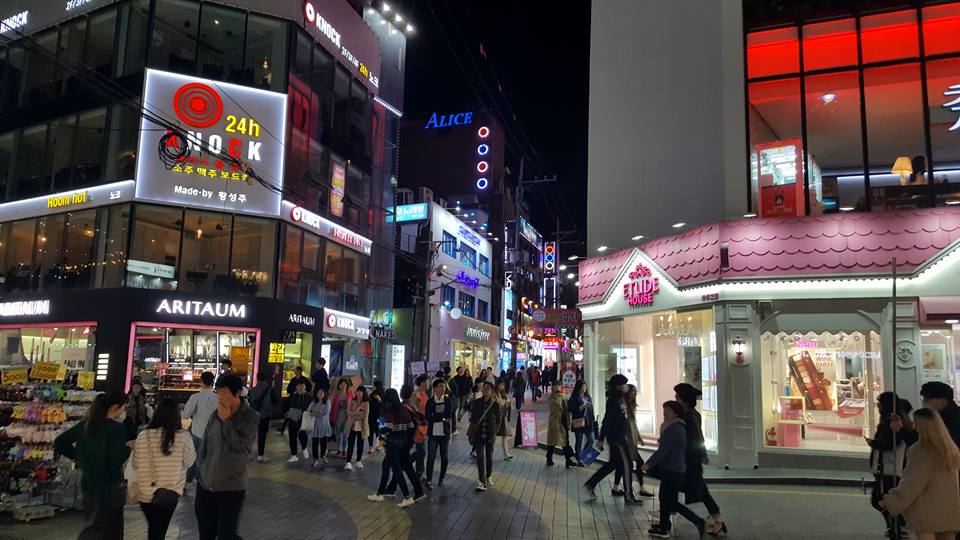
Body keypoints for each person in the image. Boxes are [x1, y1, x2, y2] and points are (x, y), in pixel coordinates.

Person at [54, 390, 130, 540]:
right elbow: (115, 460)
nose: (123, 411)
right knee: (110, 530)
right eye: (124, 407)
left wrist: (81, 458)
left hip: (89, 483)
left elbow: (60, 442)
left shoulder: (86, 425)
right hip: (109, 486)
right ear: (116, 407)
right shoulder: (116, 429)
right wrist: (128, 448)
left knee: (93, 526)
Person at [195, 373, 259, 540]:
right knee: (206, 534)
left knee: (226, 535)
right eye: (218, 392)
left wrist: (227, 420)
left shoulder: (250, 417)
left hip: (232, 487)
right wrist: (201, 471)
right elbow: (205, 445)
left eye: (223, 393)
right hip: (206, 486)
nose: (220, 397)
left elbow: (239, 445)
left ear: (237, 393)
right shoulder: (215, 415)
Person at [881, 408, 960, 540]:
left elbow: (912, 483)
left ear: (920, 426)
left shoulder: (921, 450)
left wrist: (890, 501)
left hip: (927, 512)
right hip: (949, 512)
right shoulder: (951, 449)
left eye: (915, 423)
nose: (913, 426)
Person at [133, 398, 196, 540]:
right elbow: (190, 461)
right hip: (169, 492)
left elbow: (136, 463)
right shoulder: (183, 437)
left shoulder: (143, 435)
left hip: (145, 492)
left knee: (154, 529)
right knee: (158, 531)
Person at [643, 401, 707, 538]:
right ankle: (664, 525)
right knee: (666, 499)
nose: (664, 413)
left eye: (667, 410)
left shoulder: (675, 429)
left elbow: (663, 450)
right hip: (674, 468)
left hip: (672, 469)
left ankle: (697, 521)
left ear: (674, 412)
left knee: (669, 500)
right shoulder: (675, 427)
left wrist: (648, 464)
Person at [674, 383, 724, 533]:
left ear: (684, 401)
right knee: (699, 489)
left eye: (677, 397)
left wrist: (702, 454)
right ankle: (717, 519)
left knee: (698, 489)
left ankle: (717, 520)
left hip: (690, 460)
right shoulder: (692, 414)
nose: (675, 399)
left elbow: (696, 437)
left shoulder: (689, 417)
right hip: (691, 458)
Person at [870, 392, 917, 538]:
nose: (878, 407)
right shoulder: (896, 420)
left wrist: (874, 443)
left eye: (879, 404)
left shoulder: (893, 421)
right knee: (884, 500)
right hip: (887, 467)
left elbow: (891, 443)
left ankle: (899, 525)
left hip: (889, 468)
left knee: (882, 500)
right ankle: (896, 526)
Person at [368, 389, 420, 507]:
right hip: (402, 442)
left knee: (396, 470)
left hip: (392, 443)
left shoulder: (389, 410)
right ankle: (381, 492)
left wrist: (381, 429)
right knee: (386, 465)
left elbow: (388, 427)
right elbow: (411, 425)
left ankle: (407, 497)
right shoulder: (403, 408)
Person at [583, 374, 631, 501]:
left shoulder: (621, 399)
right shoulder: (613, 401)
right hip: (616, 438)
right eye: (622, 385)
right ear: (616, 386)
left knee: (615, 464)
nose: (625, 387)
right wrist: (601, 438)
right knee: (621, 464)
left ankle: (599, 485)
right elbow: (607, 420)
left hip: (621, 436)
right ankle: (626, 493)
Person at [614, 384, 653, 498]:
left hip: (632, 440)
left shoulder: (631, 405)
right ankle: (635, 490)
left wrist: (639, 437)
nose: (634, 394)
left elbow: (633, 424)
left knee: (624, 465)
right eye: (633, 392)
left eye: (635, 392)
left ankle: (618, 486)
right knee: (629, 464)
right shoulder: (623, 405)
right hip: (627, 440)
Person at [182, 371, 219, 479]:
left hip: (197, 432)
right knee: (209, 458)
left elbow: (185, 415)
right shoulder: (218, 398)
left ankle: (189, 480)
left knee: (193, 458)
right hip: (213, 433)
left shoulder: (195, 397)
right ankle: (206, 479)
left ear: (201, 382)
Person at [470, 381, 501, 491]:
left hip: (489, 435)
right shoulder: (477, 402)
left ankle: (488, 475)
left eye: (487, 388)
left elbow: (498, 420)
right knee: (480, 457)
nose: (485, 390)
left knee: (489, 457)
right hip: (479, 434)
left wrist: (494, 432)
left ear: (492, 390)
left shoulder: (495, 404)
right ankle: (481, 480)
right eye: (483, 388)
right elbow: (473, 418)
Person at [425, 378, 453, 488]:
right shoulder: (430, 401)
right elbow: (428, 417)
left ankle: (441, 478)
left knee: (444, 457)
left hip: (444, 434)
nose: (443, 388)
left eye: (444, 386)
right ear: (435, 388)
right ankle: (429, 479)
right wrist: (442, 418)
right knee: (431, 456)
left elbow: (448, 415)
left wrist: (435, 416)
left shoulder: (448, 401)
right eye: (441, 386)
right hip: (433, 434)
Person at [248, 371, 278, 463]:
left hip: (253, 415)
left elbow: (249, 402)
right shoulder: (270, 389)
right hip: (265, 415)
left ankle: (248, 453)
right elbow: (276, 401)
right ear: (265, 379)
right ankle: (260, 455)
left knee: (251, 435)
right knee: (262, 435)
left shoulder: (252, 390)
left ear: (257, 379)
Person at [546, 380, 577, 468]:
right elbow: (553, 407)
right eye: (555, 386)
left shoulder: (562, 397)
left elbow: (566, 410)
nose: (557, 387)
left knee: (564, 441)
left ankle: (568, 460)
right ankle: (549, 458)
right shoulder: (551, 397)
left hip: (561, 421)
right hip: (553, 422)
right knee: (552, 442)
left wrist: (568, 423)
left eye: (558, 386)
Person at [920, 382, 960, 447]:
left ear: (942, 401)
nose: (923, 402)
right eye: (923, 399)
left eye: (927, 399)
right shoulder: (934, 416)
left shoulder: (955, 420)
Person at [283, 380, 311, 463]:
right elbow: (285, 405)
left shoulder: (308, 397)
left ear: (305, 387)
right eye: (299, 385)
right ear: (296, 387)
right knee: (292, 436)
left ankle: (304, 447)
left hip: (303, 419)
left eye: (303, 385)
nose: (301, 387)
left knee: (302, 435)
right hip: (292, 418)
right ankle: (293, 455)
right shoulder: (292, 396)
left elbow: (310, 407)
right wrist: (286, 412)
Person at [568, 380, 595, 465]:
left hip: (588, 422)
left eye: (584, 387)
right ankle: (579, 459)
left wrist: (593, 419)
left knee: (591, 440)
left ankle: (582, 456)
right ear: (578, 388)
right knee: (579, 441)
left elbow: (591, 409)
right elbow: (571, 409)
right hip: (578, 422)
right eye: (581, 387)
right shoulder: (574, 398)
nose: (583, 389)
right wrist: (581, 407)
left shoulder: (588, 397)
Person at [345, 385, 370, 470]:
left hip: (362, 426)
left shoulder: (366, 403)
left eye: (360, 391)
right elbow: (348, 411)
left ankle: (358, 461)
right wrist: (356, 414)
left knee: (360, 444)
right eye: (357, 391)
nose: (358, 393)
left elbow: (365, 414)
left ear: (363, 393)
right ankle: (348, 462)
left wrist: (354, 415)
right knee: (350, 443)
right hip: (352, 425)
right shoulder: (352, 401)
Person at [307, 388, 333, 466]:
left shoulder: (327, 402)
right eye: (319, 392)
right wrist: (315, 413)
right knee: (315, 442)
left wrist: (314, 413)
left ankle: (323, 455)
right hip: (315, 425)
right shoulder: (314, 402)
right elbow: (308, 410)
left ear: (325, 394)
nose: (320, 394)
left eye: (322, 393)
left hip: (324, 425)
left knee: (323, 441)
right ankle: (315, 459)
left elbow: (325, 412)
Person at [411, 376, 430, 477]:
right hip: (418, 426)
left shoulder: (424, 394)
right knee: (421, 449)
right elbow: (414, 411)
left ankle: (418, 469)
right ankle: (418, 470)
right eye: (427, 381)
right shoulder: (415, 395)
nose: (429, 384)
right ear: (422, 383)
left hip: (424, 425)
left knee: (421, 449)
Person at [330, 379, 353, 458]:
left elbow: (353, 405)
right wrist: (331, 416)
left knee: (345, 434)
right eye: (341, 384)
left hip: (347, 417)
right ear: (339, 386)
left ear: (347, 386)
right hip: (338, 417)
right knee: (338, 434)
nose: (343, 386)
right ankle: (339, 450)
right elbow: (333, 407)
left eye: (344, 384)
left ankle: (344, 450)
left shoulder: (350, 394)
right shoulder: (336, 395)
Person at [495, 380, 515, 461]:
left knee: (505, 436)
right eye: (500, 385)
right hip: (495, 418)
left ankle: (505, 454)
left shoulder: (505, 395)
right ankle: (488, 452)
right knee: (492, 436)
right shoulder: (494, 394)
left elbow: (510, 406)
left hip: (503, 418)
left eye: (503, 385)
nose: (501, 387)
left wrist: (509, 404)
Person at [368, 381, 384, 453]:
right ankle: (380, 445)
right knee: (380, 431)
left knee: (371, 431)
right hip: (381, 416)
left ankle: (371, 446)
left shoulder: (373, 394)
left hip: (372, 415)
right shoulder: (383, 393)